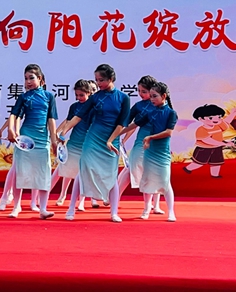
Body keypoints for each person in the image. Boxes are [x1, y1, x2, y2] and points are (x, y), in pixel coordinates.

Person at [61, 64, 130, 223]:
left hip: (112, 140)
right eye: (97, 80)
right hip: (93, 138)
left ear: (111, 79)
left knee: (111, 175)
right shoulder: (96, 97)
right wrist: (64, 132)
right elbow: (78, 116)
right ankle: (71, 208)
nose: (98, 83)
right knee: (83, 171)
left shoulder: (123, 98)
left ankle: (113, 212)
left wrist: (110, 140)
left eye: (101, 80)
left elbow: (122, 123)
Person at [122, 82, 178, 221]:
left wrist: (150, 137)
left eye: (154, 96)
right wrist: (116, 134)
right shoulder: (150, 112)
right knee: (147, 180)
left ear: (163, 96)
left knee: (165, 182)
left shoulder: (171, 113)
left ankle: (171, 212)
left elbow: (168, 132)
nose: (151, 99)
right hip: (149, 151)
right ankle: (146, 209)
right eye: (151, 96)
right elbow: (134, 124)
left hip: (162, 152)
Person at [7, 64, 57, 219]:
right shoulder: (23, 97)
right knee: (20, 172)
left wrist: (54, 141)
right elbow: (14, 115)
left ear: (40, 78)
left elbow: (51, 120)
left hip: (42, 139)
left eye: (31, 78)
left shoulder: (49, 96)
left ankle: (43, 208)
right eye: (26, 78)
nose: (28, 81)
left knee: (43, 173)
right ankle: (16, 206)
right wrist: (11, 130)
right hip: (26, 139)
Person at [117, 76, 163, 212]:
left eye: (144, 91)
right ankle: (115, 197)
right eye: (139, 91)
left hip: (157, 142)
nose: (140, 94)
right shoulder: (139, 106)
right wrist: (121, 138)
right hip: (141, 142)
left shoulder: (161, 105)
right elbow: (128, 123)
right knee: (132, 168)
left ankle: (156, 205)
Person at [51, 79, 95, 210]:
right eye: (77, 95)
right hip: (74, 143)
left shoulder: (94, 108)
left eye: (81, 95)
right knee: (66, 170)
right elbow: (68, 122)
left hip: (87, 144)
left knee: (83, 173)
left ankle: (81, 201)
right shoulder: (74, 107)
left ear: (89, 93)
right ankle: (61, 195)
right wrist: (60, 134)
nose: (79, 98)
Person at [183, 104, 236, 178]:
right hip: (204, 149)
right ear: (201, 119)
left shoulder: (218, 126)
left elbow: (226, 122)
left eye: (219, 117)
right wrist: (224, 143)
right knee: (199, 163)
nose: (216, 119)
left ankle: (215, 175)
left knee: (216, 162)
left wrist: (233, 113)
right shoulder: (201, 130)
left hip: (217, 148)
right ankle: (187, 169)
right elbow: (208, 141)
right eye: (210, 118)